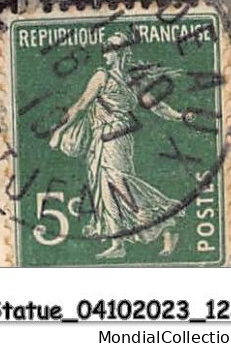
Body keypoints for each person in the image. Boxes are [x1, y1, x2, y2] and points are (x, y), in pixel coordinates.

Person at [46, 33, 185, 259]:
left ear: (123, 51)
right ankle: (118, 243)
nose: (107, 52)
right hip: (100, 138)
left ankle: (160, 220)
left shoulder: (133, 80)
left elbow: (155, 105)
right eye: (105, 48)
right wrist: (59, 131)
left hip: (120, 137)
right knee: (104, 188)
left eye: (111, 48)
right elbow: (80, 105)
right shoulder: (101, 76)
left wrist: (179, 116)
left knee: (120, 181)